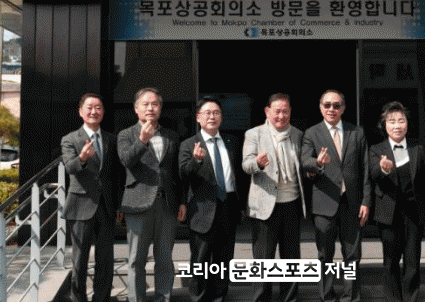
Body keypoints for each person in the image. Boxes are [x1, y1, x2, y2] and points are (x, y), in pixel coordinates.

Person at [301, 89, 371, 302]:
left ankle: (351, 296)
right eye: (327, 105)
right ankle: (328, 296)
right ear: (320, 107)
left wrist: (366, 201)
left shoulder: (356, 132)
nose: (332, 109)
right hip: (324, 203)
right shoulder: (312, 133)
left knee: (352, 255)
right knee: (325, 254)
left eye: (336, 105)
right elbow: (305, 161)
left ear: (343, 108)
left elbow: (365, 169)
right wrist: (317, 163)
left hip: (352, 203)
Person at [117, 87, 186, 302]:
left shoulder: (171, 136)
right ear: (136, 108)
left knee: (164, 258)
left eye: (154, 104)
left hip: (167, 204)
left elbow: (177, 172)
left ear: (160, 108)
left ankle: (162, 297)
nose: (150, 108)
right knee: (136, 259)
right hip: (138, 204)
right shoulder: (126, 134)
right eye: (145, 104)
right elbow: (126, 161)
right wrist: (142, 140)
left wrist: (182, 201)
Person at [179, 96, 248, 302]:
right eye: (207, 113)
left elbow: (239, 177)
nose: (212, 116)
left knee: (224, 258)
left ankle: (219, 296)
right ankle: (199, 297)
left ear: (221, 117)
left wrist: (241, 205)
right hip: (202, 210)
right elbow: (182, 174)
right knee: (200, 259)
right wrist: (195, 161)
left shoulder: (232, 142)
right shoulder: (188, 144)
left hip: (228, 206)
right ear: (198, 117)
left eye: (216, 113)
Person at [369, 101, 425, 302]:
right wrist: (383, 169)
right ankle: (393, 298)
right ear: (384, 125)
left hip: (414, 213)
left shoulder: (418, 149)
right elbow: (373, 175)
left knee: (412, 259)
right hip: (388, 213)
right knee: (390, 260)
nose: (397, 125)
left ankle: (410, 297)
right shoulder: (376, 149)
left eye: (401, 121)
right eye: (392, 121)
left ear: (407, 124)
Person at [242, 93, 306, 302]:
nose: (281, 116)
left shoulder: (298, 135)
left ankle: (290, 298)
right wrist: (258, 164)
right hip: (265, 206)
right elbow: (246, 164)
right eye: (277, 111)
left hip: (291, 204)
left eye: (285, 111)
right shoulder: (254, 134)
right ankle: (262, 298)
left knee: (291, 257)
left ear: (290, 112)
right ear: (267, 111)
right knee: (263, 258)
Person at [61, 93, 124, 302]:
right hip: (80, 205)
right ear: (81, 112)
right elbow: (70, 167)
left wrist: (118, 204)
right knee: (80, 258)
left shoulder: (111, 139)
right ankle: (78, 298)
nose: (93, 111)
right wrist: (81, 158)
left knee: (105, 258)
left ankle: (102, 298)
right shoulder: (70, 139)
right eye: (89, 107)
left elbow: (116, 175)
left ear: (103, 112)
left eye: (98, 107)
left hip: (107, 206)